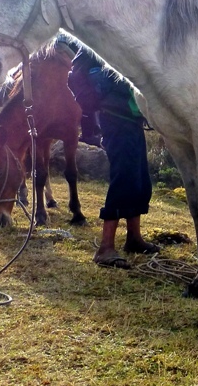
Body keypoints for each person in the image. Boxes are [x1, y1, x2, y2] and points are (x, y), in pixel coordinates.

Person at [67, 48, 160, 269]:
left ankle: (133, 238)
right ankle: (105, 247)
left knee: (139, 179)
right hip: (115, 117)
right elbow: (76, 75)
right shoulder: (98, 43)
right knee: (124, 177)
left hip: (132, 117)